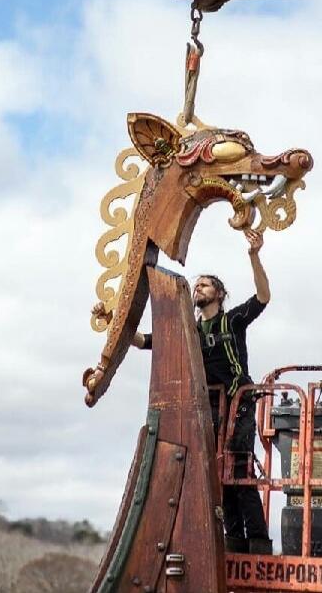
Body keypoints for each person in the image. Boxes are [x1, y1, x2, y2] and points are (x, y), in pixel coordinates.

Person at [132, 229, 273, 556]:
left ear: (220, 294)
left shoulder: (232, 321)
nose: (198, 287)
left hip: (237, 403)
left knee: (239, 470)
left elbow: (263, 298)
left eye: (205, 284)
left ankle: (259, 546)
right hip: (207, 407)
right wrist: (121, 327)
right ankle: (233, 543)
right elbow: (149, 342)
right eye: (196, 284)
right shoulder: (189, 330)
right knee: (214, 474)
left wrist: (254, 255)